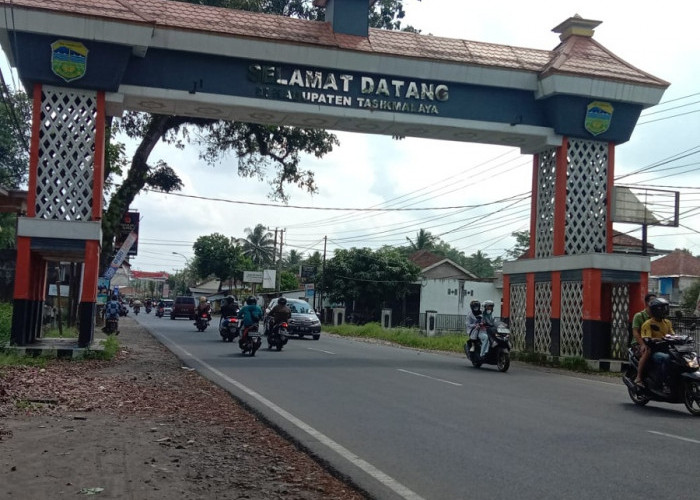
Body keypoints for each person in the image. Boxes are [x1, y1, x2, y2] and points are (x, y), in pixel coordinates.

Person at [640, 298, 675, 393]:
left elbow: (672, 335)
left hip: (666, 349)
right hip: (654, 351)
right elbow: (647, 339)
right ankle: (663, 383)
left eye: (665, 308)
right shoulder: (648, 324)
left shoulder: (667, 322)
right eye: (662, 309)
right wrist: (657, 340)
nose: (665, 311)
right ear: (655, 310)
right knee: (666, 358)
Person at [632, 293, 657, 386]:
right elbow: (635, 332)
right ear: (646, 303)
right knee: (647, 351)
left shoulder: (657, 317)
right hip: (639, 344)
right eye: (652, 301)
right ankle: (638, 377)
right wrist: (642, 344)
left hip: (654, 342)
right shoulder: (639, 316)